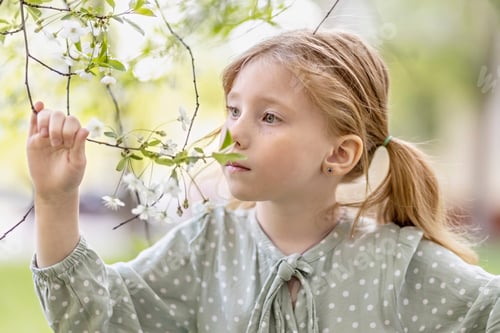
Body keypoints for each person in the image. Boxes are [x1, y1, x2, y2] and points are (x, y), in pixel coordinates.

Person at [28, 29, 500, 333]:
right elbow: (98, 316)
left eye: (269, 116)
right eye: (234, 109)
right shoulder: (206, 246)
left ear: (339, 153)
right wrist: (55, 200)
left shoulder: (396, 265)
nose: (235, 130)